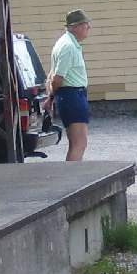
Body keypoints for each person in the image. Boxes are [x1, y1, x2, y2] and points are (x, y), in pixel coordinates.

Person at [49, 9, 91, 162]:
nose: (88, 29)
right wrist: (51, 97)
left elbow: (52, 75)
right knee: (79, 143)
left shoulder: (67, 44)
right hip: (71, 95)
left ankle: (72, 174)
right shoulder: (68, 47)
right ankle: (72, 177)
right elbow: (57, 78)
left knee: (78, 143)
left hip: (73, 95)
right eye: (86, 25)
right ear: (76, 27)